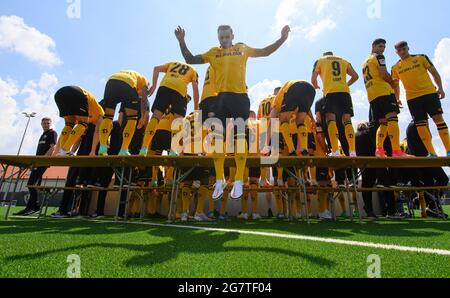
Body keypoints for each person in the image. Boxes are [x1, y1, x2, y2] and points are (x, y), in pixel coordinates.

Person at [174, 23, 291, 201]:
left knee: (240, 138)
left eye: (227, 36)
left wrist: (282, 39)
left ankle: (238, 181)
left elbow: (265, 51)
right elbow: (190, 59)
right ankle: (220, 179)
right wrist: (182, 41)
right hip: (221, 99)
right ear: (218, 38)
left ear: (232, 35)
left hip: (240, 99)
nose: (224, 40)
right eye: (221, 37)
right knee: (218, 139)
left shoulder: (242, 48)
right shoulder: (214, 52)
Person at [392, 41, 450, 157]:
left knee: (438, 119)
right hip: (412, 99)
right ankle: (431, 152)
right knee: (420, 124)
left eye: (404, 49)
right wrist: (397, 99)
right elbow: (395, 85)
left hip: (429, 94)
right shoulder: (395, 67)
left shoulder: (421, 58)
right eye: (399, 50)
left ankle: (448, 150)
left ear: (408, 48)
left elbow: (434, 73)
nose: (402, 52)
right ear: (396, 52)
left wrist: (440, 88)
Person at [140, 61, 199, 156]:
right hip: (180, 90)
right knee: (178, 121)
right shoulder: (193, 70)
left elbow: (156, 68)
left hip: (164, 87)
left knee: (155, 117)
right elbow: (195, 88)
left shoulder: (172, 63)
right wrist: (196, 107)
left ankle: (144, 147)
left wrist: (154, 86)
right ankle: (173, 150)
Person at [362, 39, 409, 158]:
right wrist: (393, 83)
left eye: (383, 47)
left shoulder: (365, 62)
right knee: (392, 119)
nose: (382, 49)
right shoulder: (379, 57)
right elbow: (383, 74)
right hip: (384, 92)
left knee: (383, 123)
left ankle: (379, 150)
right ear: (373, 46)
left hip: (372, 95)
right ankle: (396, 151)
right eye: (380, 46)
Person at [311, 52, 359, 157]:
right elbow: (355, 76)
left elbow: (313, 79)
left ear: (324, 55)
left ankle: (336, 151)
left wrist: (315, 85)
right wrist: (345, 84)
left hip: (330, 92)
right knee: (347, 120)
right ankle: (352, 151)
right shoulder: (343, 60)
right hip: (345, 92)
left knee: (330, 120)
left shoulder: (320, 60)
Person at [98, 70, 150, 156]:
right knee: (132, 118)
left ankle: (102, 147)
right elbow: (144, 99)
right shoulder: (145, 82)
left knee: (108, 117)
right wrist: (143, 116)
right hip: (128, 84)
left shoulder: (132, 74)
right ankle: (124, 149)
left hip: (111, 81)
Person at [14, 118, 58, 216]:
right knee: (32, 185)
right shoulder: (42, 135)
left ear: (51, 124)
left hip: (42, 163)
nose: (46, 125)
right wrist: (33, 163)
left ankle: (34, 207)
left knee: (31, 184)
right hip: (37, 163)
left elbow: (53, 147)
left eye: (48, 123)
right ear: (41, 124)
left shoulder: (52, 133)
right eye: (44, 123)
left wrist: (43, 160)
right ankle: (30, 207)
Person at [261, 80, 316, 158]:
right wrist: (313, 120)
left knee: (284, 120)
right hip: (310, 89)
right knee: (300, 121)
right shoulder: (292, 103)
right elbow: (307, 109)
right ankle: (304, 149)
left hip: (293, 87)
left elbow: (271, 125)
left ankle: (291, 150)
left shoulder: (276, 104)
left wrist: (266, 146)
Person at [53, 86, 104, 156]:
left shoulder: (80, 123)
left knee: (69, 124)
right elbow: (97, 132)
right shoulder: (101, 115)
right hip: (77, 93)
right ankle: (65, 150)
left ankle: (62, 151)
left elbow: (76, 136)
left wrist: (56, 151)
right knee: (83, 123)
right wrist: (93, 151)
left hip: (59, 94)